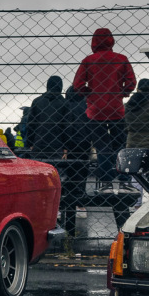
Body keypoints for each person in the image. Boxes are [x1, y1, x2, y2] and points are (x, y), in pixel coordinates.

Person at [72, 28, 135, 186]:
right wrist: (121, 93)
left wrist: (89, 93)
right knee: (119, 144)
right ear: (111, 40)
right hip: (116, 109)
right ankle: (123, 179)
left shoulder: (88, 60)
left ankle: (106, 181)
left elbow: (77, 85)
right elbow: (131, 82)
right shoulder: (121, 59)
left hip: (95, 110)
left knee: (102, 147)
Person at [59, 85, 91, 236]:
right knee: (82, 173)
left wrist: (65, 145)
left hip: (69, 144)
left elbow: (65, 127)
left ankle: (65, 204)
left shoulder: (66, 106)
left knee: (68, 174)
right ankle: (80, 204)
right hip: (84, 143)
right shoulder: (86, 106)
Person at [24, 76, 68, 162]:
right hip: (57, 146)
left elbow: (31, 124)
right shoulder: (65, 103)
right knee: (55, 168)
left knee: (38, 168)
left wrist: (30, 143)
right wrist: (66, 147)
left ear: (48, 85)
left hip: (38, 144)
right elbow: (67, 127)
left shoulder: (37, 101)